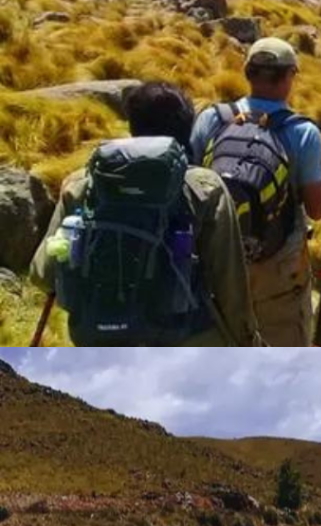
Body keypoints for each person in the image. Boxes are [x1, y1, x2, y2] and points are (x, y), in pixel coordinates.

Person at [31, 82, 258, 346]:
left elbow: (42, 274)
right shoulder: (205, 187)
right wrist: (248, 341)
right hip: (184, 339)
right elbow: (230, 285)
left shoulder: (83, 184)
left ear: (132, 126)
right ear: (187, 129)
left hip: (99, 340)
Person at [191, 37, 321, 346]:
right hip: (277, 269)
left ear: (248, 72)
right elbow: (318, 208)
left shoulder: (212, 118)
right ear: (290, 75)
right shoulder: (302, 132)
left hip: (215, 260)